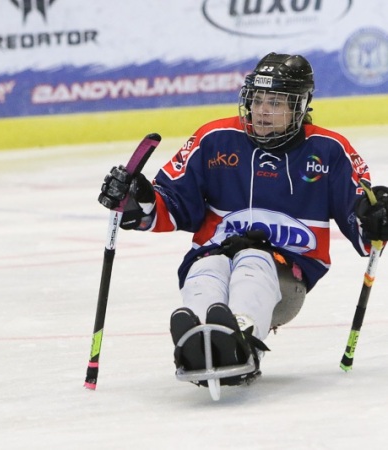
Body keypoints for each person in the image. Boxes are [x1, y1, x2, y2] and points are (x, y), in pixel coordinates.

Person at [98, 52, 388, 387]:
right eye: (257, 100)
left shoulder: (329, 151)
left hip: (284, 281)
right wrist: (137, 200)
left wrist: (373, 217)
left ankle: (242, 339)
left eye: (276, 102)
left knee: (253, 259)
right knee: (207, 267)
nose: (262, 111)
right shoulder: (214, 139)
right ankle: (198, 338)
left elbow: (360, 216)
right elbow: (173, 203)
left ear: (300, 107)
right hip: (217, 255)